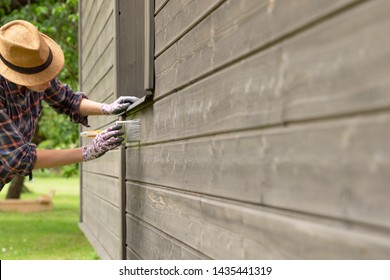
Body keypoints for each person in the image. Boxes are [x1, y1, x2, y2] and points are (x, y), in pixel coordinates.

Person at [0, 20, 138, 190]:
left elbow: (68, 100)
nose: (49, 82)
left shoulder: (34, 71)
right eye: (40, 77)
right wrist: (87, 152)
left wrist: (107, 108)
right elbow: (19, 158)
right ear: (17, 74)